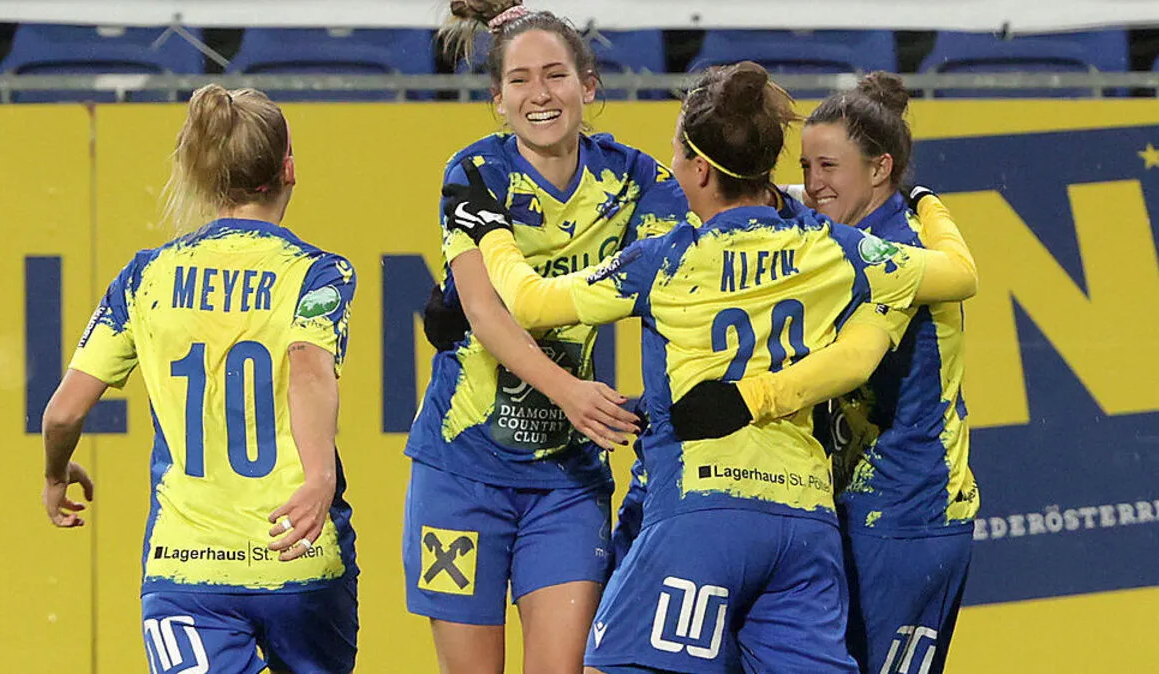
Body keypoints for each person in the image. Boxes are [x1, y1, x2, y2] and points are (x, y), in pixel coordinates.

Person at [442, 61, 977, 673]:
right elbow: (959, 275)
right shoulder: (832, 247)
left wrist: (487, 229)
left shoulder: (666, 259)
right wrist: (928, 203)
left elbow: (530, 301)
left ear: (699, 169)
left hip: (703, 511)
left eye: (676, 154)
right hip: (806, 526)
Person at [403, 2, 690, 672]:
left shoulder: (636, 179)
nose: (540, 94)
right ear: (498, 100)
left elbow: (685, 278)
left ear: (588, 85)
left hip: (566, 480)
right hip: (460, 471)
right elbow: (485, 313)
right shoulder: (475, 172)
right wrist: (570, 392)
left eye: (556, 75)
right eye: (521, 80)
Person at [40, 85, 358, 674]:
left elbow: (63, 412)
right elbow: (309, 369)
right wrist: (319, 477)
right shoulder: (318, 273)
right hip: (299, 552)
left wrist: (56, 473)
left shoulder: (145, 277)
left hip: (187, 568)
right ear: (288, 168)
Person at [674, 72, 979, 674]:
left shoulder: (899, 252)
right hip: (845, 505)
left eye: (829, 167)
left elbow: (853, 361)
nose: (814, 185)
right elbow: (770, 195)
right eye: (806, 166)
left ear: (880, 168)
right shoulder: (839, 235)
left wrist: (747, 399)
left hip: (908, 514)